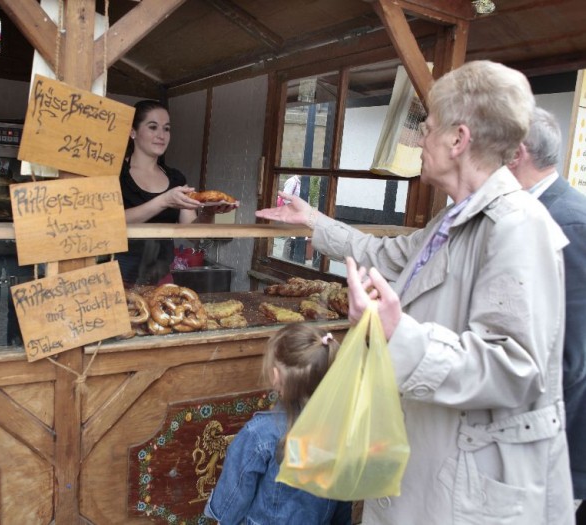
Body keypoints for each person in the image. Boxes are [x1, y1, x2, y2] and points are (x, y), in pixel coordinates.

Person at [256, 60, 574, 524]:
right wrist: (312, 220)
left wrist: (397, 333)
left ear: (458, 140)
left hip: (469, 488)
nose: (419, 141)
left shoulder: (518, 226)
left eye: (427, 129)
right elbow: (384, 254)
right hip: (430, 462)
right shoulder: (452, 219)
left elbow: (516, 368)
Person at [508, 107, 586, 524]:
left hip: (554, 444)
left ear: (516, 154)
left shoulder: (568, 223)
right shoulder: (536, 212)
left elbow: (569, 357)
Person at [204, 324, 352, 525]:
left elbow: (230, 504)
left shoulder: (260, 433)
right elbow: (342, 504)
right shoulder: (341, 431)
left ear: (276, 376)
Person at [116, 99, 237, 285]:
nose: (161, 135)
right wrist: (163, 201)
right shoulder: (116, 173)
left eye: (166, 129)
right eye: (153, 127)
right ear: (133, 131)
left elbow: (192, 235)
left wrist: (207, 212)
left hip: (161, 279)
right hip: (117, 278)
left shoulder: (176, 179)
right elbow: (109, 221)